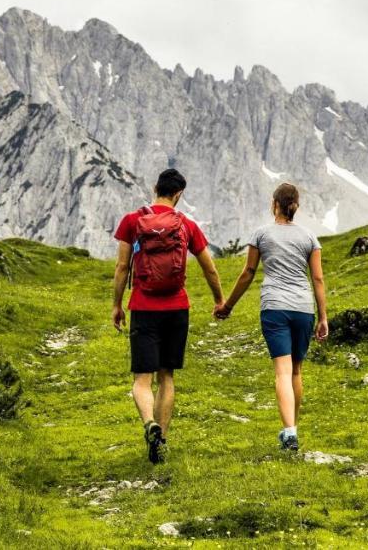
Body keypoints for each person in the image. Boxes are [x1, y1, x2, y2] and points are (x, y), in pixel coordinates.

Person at [112, 169, 226, 464]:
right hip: (177, 308)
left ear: (155, 189)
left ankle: (148, 422)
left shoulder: (132, 222)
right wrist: (219, 300)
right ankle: (160, 438)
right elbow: (209, 268)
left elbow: (122, 268)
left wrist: (117, 305)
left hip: (143, 308)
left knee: (142, 379)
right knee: (166, 376)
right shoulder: (186, 225)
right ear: (179, 194)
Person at [216, 182, 328, 452]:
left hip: (274, 307)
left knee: (282, 371)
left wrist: (228, 305)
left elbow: (248, 273)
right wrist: (323, 317)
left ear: (274, 205)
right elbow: (318, 278)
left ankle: (289, 431)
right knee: (297, 371)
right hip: (303, 309)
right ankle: (293, 429)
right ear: (296, 206)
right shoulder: (310, 238)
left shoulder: (261, 234)